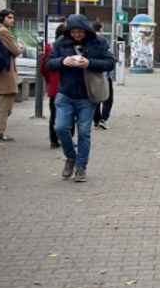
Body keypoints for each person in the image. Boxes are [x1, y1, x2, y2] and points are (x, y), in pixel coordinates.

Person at [46, 14, 116, 183]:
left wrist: (89, 63)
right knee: (61, 128)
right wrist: (63, 60)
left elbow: (110, 62)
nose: (77, 35)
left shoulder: (98, 42)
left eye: (80, 31)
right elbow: (49, 63)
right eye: (73, 31)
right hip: (65, 94)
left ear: (86, 30)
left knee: (84, 132)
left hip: (87, 96)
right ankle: (71, 157)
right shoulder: (61, 43)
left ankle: (81, 167)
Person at [0, 9, 23, 142]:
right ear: (2, 18)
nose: (12, 20)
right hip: (5, 74)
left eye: (13, 17)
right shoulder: (3, 32)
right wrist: (20, 48)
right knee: (4, 106)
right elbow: (16, 50)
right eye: (9, 17)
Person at [39, 24, 72, 148]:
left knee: (54, 114)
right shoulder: (71, 48)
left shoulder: (49, 47)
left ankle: (53, 140)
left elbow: (43, 68)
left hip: (54, 88)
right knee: (69, 114)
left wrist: (50, 81)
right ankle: (67, 140)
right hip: (68, 88)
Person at [91, 22, 115, 129]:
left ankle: (96, 119)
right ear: (100, 29)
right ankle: (103, 119)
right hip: (104, 75)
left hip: (92, 75)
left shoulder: (88, 41)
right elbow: (110, 59)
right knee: (108, 98)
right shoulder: (104, 41)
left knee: (95, 98)